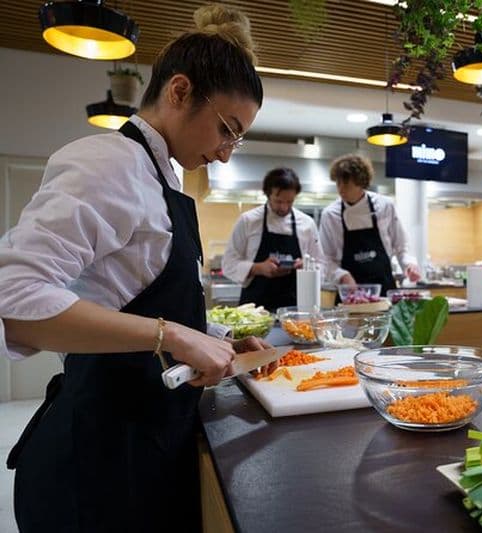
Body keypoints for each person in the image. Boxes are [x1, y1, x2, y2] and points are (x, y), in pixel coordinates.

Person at [0, 5, 264, 531]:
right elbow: (15, 302)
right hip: (94, 461)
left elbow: (130, 295)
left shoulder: (163, 177)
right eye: (227, 130)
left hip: (144, 443)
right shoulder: (109, 163)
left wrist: (215, 338)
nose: (227, 154)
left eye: (238, 139)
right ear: (181, 91)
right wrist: (173, 335)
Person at [222, 167, 326, 311]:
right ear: (267, 194)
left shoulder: (307, 223)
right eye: (278, 201)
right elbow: (228, 264)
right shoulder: (249, 221)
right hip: (255, 311)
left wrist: (306, 267)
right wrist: (258, 268)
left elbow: (321, 265)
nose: (284, 207)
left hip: (295, 309)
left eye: (289, 202)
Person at [319, 154, 421, 294]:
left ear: (361, 183)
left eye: (346, 184)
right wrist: (342, 276)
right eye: (338, 183)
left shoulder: (385, 206)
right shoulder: (330, 215)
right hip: (350, 293)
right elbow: (325, 258)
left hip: (385, 291)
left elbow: (401, 246)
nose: (340, 189)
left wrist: (409, 265)